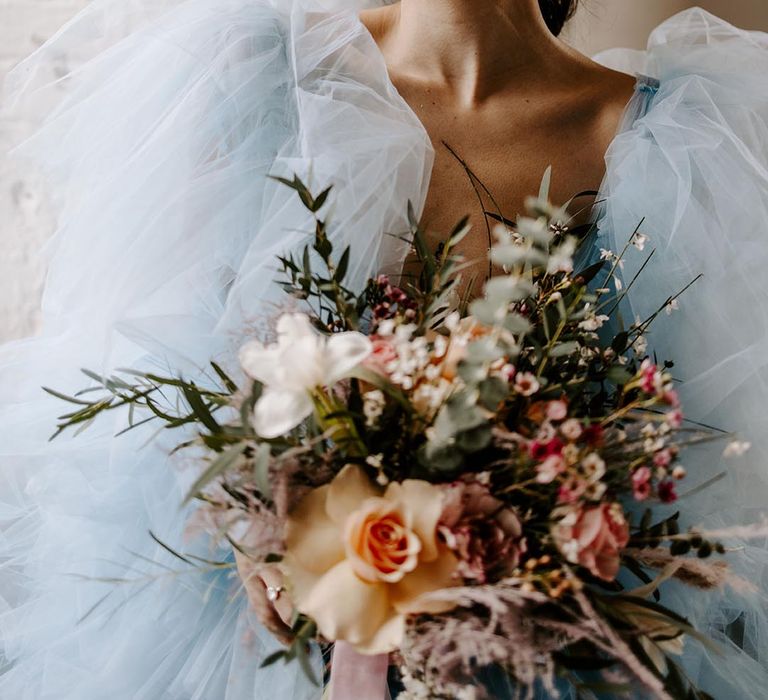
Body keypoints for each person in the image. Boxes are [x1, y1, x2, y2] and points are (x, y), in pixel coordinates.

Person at [1, 0, 767, 697]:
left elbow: (694, 443)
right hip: (261, 643)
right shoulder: (268, 76)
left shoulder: (668, 137)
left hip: (554, 652)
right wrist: (250, 518)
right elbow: (160, 365)